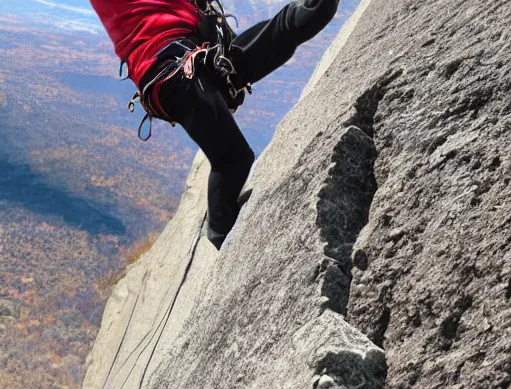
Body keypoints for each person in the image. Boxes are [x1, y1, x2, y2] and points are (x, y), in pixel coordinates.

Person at [90, 0, 340, 249]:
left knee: (286, 28)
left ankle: (314, 9)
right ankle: (223, 241)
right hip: (170, 71)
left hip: (198, 55)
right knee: (234, 160)